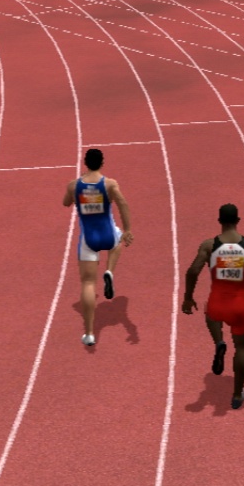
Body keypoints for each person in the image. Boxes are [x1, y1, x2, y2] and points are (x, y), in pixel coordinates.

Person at [182, 204, 244, 410]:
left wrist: (188, 298)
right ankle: (237, 394)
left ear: (219, 221)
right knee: (242, 347)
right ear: (238, 221)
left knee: (210, 313)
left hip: (216, 304)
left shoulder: (209, 245)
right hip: (239, 308)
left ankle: (219, 342)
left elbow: (192, 271)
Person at [63, 148, 134, 347]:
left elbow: (65, 203)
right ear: (102, 163)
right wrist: (128, 229)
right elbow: (123, 203)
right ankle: (109, 271)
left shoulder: (74, 185)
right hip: (108, 235)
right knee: (118, 240)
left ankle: (89, 334)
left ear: (85, 163)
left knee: (87, 283)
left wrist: (78, 195)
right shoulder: (110, 184)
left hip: (88, 239)